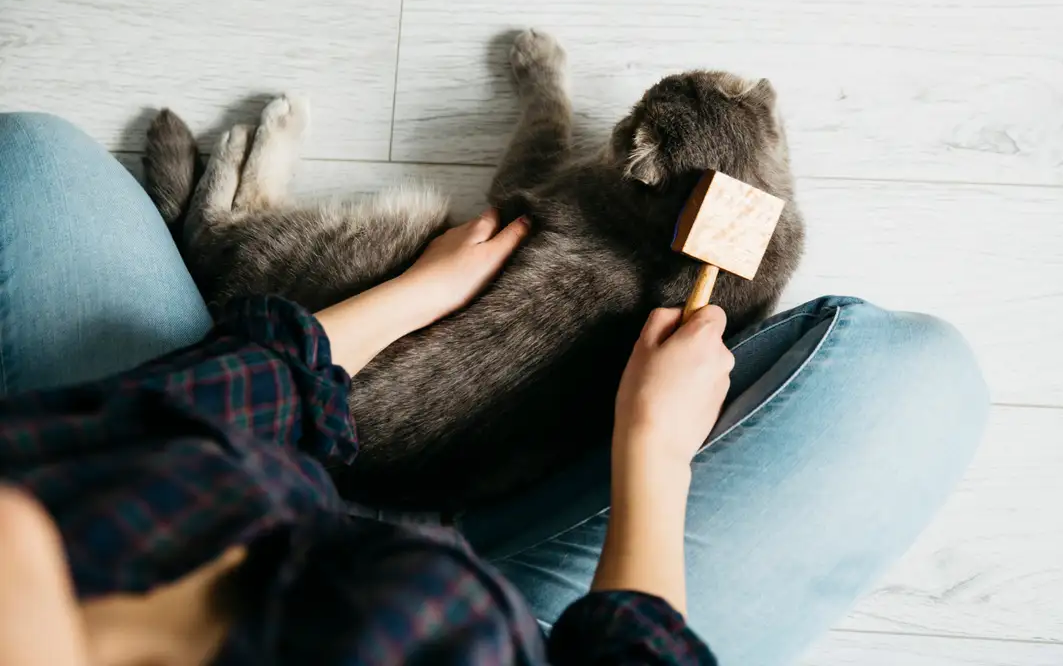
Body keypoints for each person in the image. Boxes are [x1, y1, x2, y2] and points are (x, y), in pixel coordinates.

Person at [0, 112, 989, 665]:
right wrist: (653, 453)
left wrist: (409, 298)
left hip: (264, 474)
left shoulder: (42, 499)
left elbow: (182, 415)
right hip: (539, 633)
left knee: (33, 161)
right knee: (921, 379)